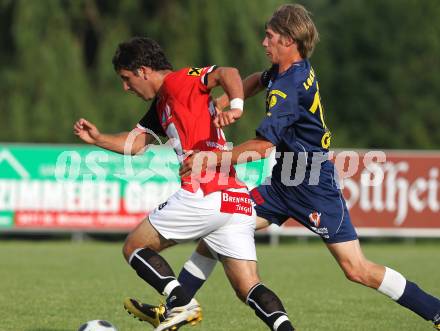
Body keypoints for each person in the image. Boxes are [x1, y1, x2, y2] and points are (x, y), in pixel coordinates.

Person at [137, 4, 440, 329]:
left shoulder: (289, 88)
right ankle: (177, 307)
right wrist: (224, 103)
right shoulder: (285, 71)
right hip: (284, 183)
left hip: (313, 187)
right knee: (216, 232)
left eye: (269, 36)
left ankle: (435, 310)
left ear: (289, 40)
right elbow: (255, 80)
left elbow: (261, 148)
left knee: (357, 269)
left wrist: (211, 158)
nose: (263, 42)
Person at [74, 37, 296, 331]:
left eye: (126, 79)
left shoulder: (181, 81)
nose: (125, 87)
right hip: (236, 199)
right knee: (248, 287)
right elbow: (137, 144)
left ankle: (181, 302)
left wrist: (238, 106)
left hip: (204, 192)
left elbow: (226, 72)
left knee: (134, 248)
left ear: (143, 71)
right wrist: (99, 139)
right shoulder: (163, 102)